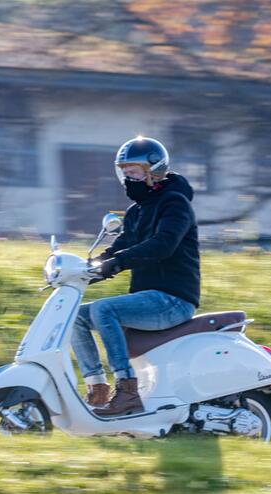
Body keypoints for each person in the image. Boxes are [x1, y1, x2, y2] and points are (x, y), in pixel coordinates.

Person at [73, 136, 201, 417]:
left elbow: (163, 244)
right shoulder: (136, 211)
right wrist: (85, 271)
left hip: (173, 299)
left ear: (153, 171)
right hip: (148, 299)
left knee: (104, 309)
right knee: (74, 317)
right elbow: (121, 246)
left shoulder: (175, 204)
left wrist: (118, 262)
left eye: (133, 172)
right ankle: (98, 389)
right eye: (124, 172)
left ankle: (128, 391)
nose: (126, 178)